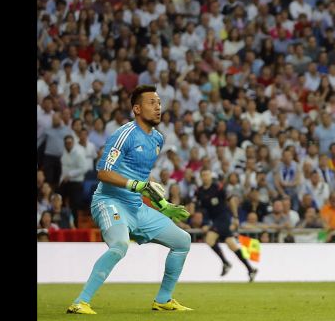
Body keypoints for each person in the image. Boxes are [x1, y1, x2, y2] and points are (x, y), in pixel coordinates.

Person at [67, 85, 192, 314]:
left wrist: (162, 205)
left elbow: (143, 178)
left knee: (183, 241)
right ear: (136, 108)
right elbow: (103, 172)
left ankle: (163, 300)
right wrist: (135, 185)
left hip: (137, 207)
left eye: (159, 103)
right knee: (120, 246)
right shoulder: (123, 134)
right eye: (151, 103)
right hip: (109, 201)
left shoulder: (157, 140)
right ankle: (80, 302)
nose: (158, 107)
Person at [195, 169, 258, 281]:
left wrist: (235, 217)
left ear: (210, 176)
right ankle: (250, 269)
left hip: (223, 218)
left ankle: (225, 263)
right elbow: (202, 209)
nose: (205, 177)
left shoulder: (217, 188)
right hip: (214, 220)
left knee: (209, 239)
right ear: (201, 177)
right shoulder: (199, 191)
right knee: (231, 245)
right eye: (203, 175)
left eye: (207, 174)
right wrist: (205, 222)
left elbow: (231, 199)